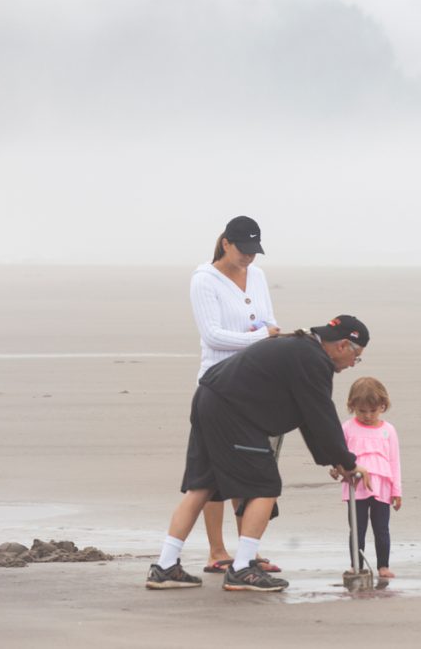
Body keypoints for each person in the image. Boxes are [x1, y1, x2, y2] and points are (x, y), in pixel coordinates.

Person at [145, 315, 373, 592]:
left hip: (209, 398)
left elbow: (309, 419)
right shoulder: (313, 361)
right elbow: (321, 417)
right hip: (234, 413)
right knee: (265, 487)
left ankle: (165, 566)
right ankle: (242, 568)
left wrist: (338, 459)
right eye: (356, 356)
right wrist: (347, 462)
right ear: (343, 346)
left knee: (202, 486)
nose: (352, 364)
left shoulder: (298, 346)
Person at [189, 215, 282, 575]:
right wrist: (261, 337)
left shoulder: (256, 276)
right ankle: (217, 550)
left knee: (252, 465)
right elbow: (213, 336)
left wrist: (266, 334)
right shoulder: (204, 280)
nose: (248, 258)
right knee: (212, 473)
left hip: (254, 384)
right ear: (226, 243)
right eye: (243, 250)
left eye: (254, 252)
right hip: (217, 384)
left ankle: (248, 551)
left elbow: (268, 319)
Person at [336, 377, 402, 579]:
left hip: (382, 486)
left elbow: (394, 462)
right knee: (357, 528)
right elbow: (339, 453)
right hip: (355, 487)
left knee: (381, 528)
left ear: (383, 406)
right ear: (352, 406)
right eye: (361, 411)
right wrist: (336, 468)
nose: (367, 416)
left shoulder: (388, 430)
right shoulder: (347, 428)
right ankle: (356, 563)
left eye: (373, 411)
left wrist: (396, 491)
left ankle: (383, 565)